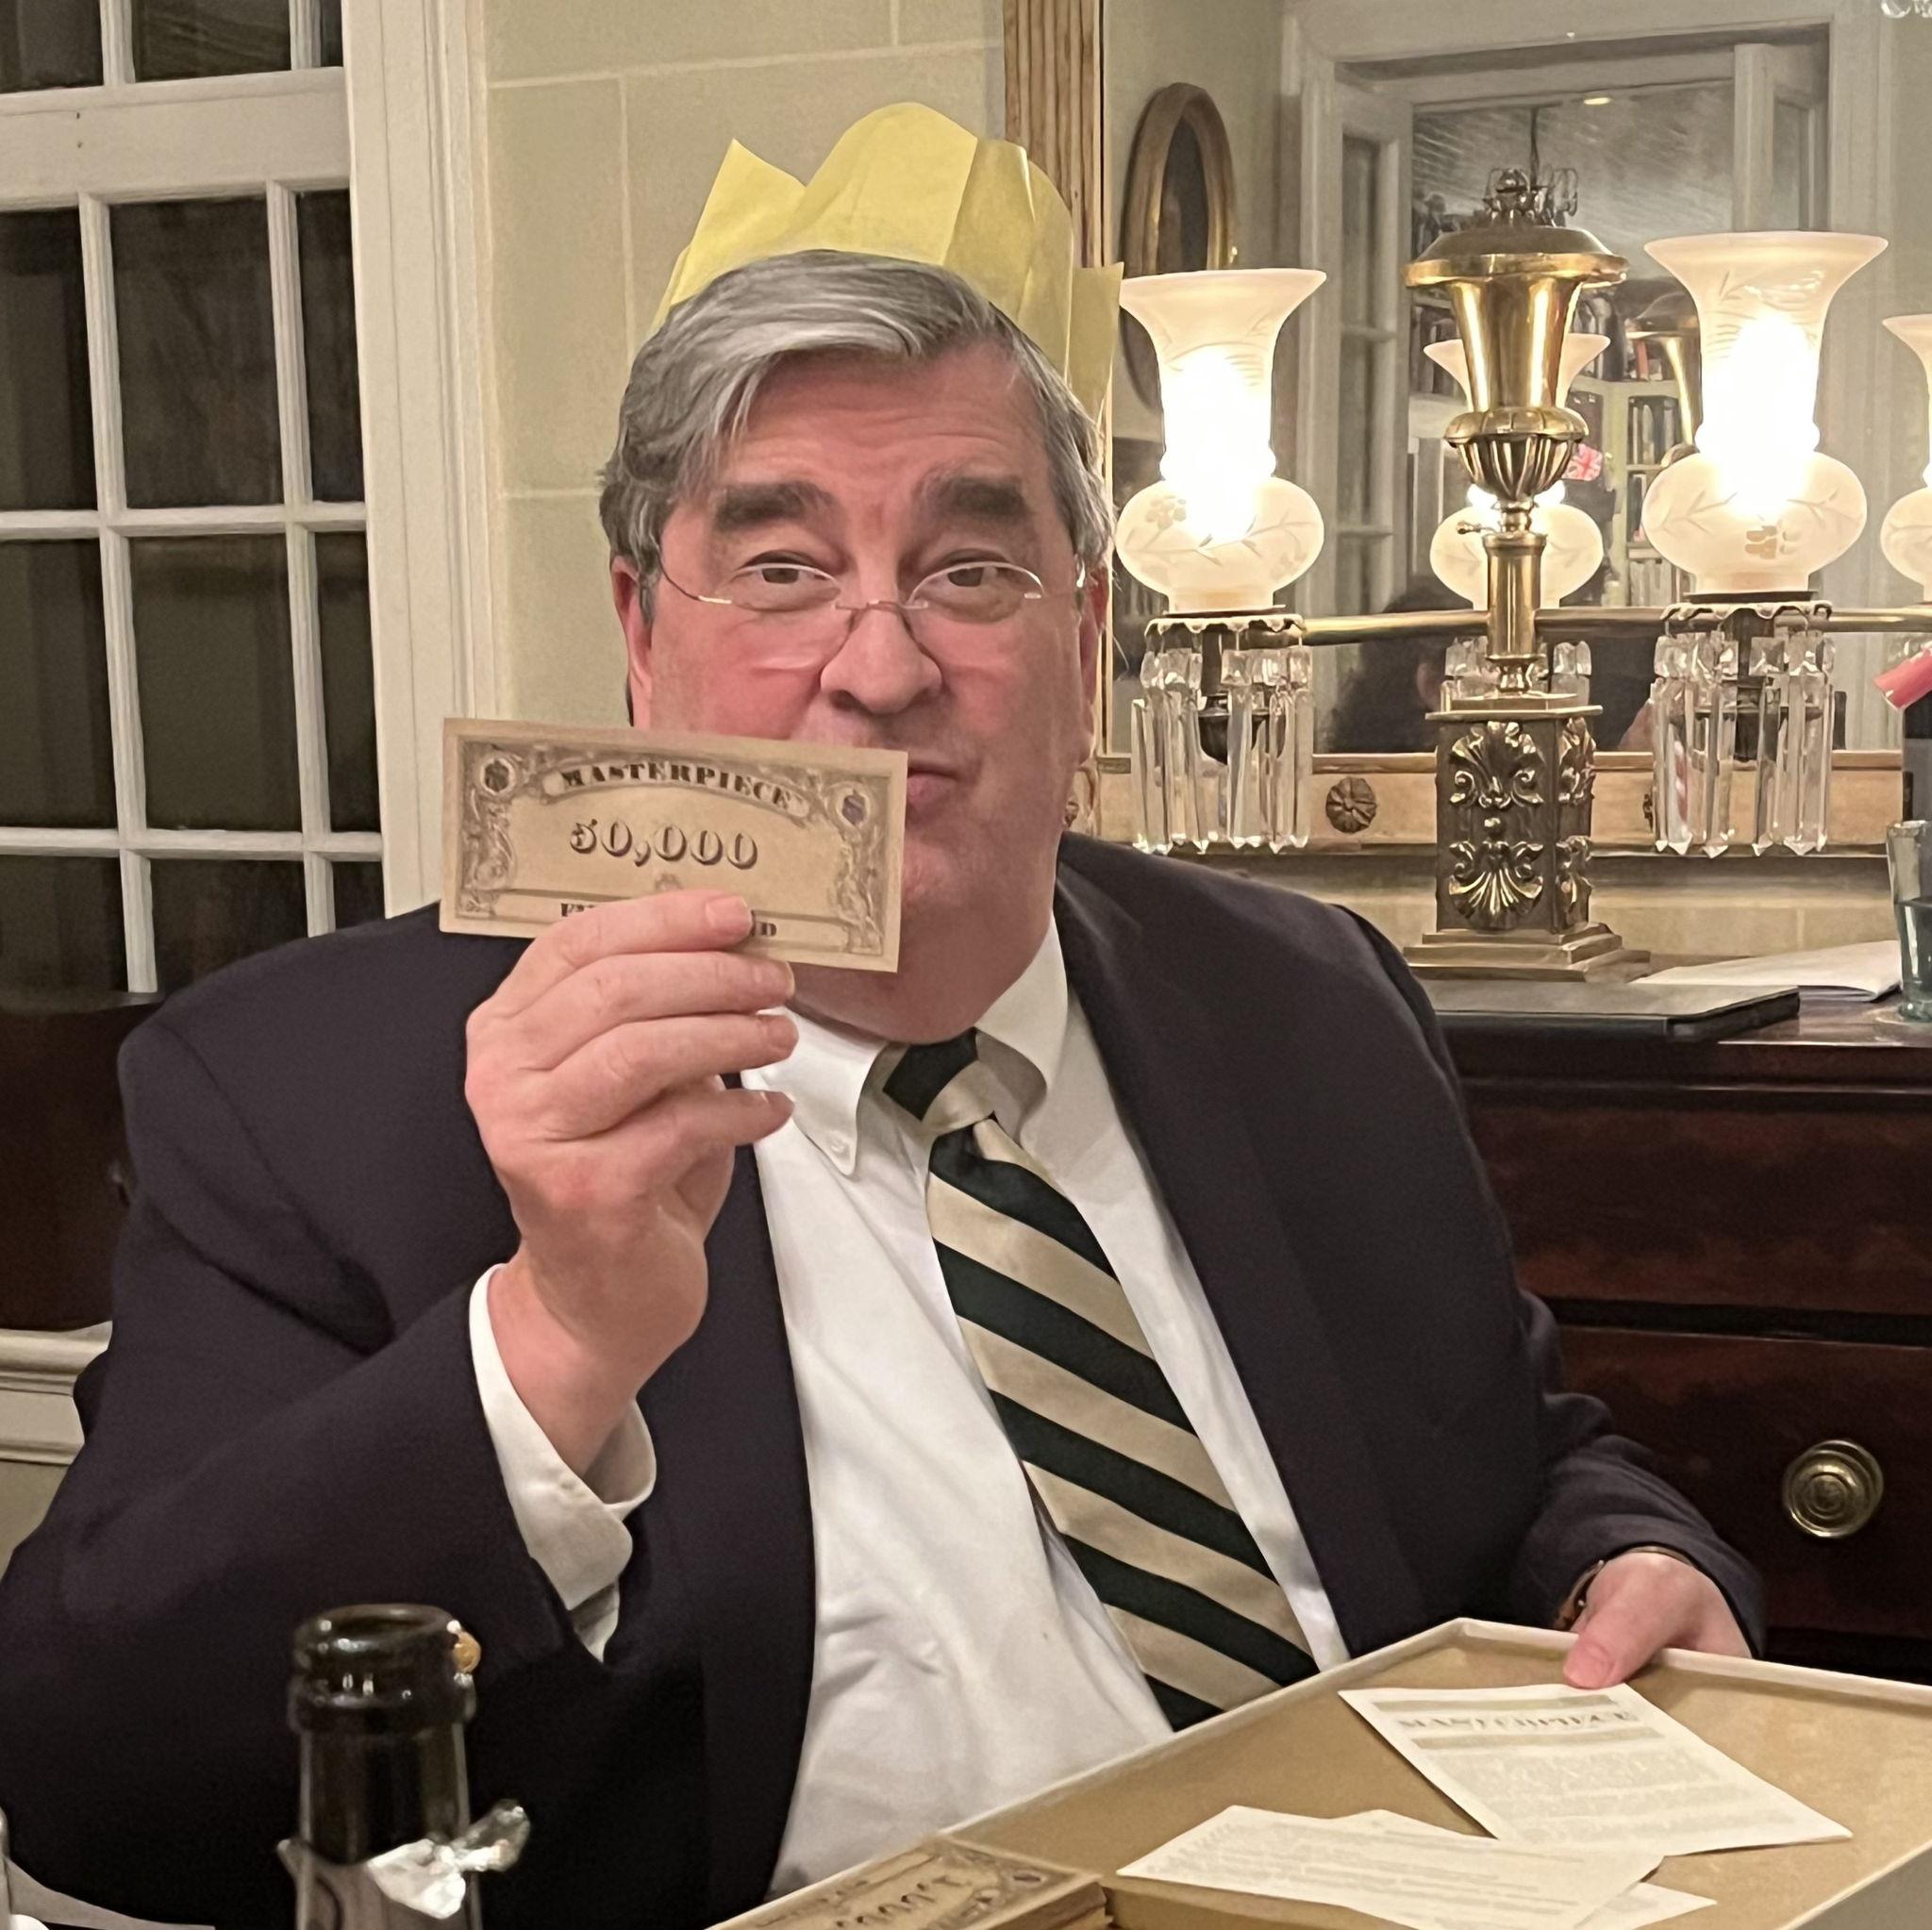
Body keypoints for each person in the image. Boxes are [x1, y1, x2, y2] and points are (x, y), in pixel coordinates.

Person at [0, 107, 1757, 1930]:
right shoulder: (307, 1092)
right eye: (781, 571)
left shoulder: (1308, 999)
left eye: (971, 570)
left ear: (1088, 632)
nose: (883, 664)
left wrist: (1621, 1558)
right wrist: (550, 1343)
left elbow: (1517, 1455)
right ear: (640, 633)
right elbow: (89, 1772)